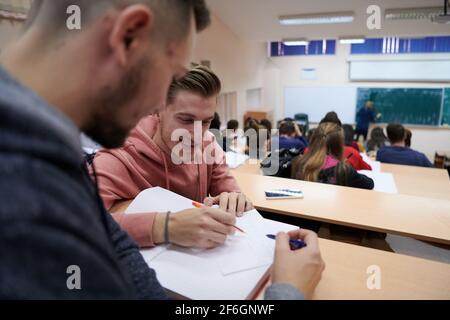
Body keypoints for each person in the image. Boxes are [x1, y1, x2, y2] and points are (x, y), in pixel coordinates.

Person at [0, 0, 324, 300]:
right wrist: (288, 291)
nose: (158, 103)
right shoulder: (29, 198)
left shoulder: (52, 162)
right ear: (129, 36)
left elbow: (110, 236)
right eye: (171, 74)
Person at [93, 66, 253, 248]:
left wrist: (235, 199)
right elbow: (79, 227)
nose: (197, 135)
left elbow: (232, 194)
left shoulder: (209, 146)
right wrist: (165, 226)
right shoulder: (116, 158)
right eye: (186, 120)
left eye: (206, 121)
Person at [292, 123, 374, 190]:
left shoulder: (298, 162)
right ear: (339, 145)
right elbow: (369, 184)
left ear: (313, 139)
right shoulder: (343, 169)